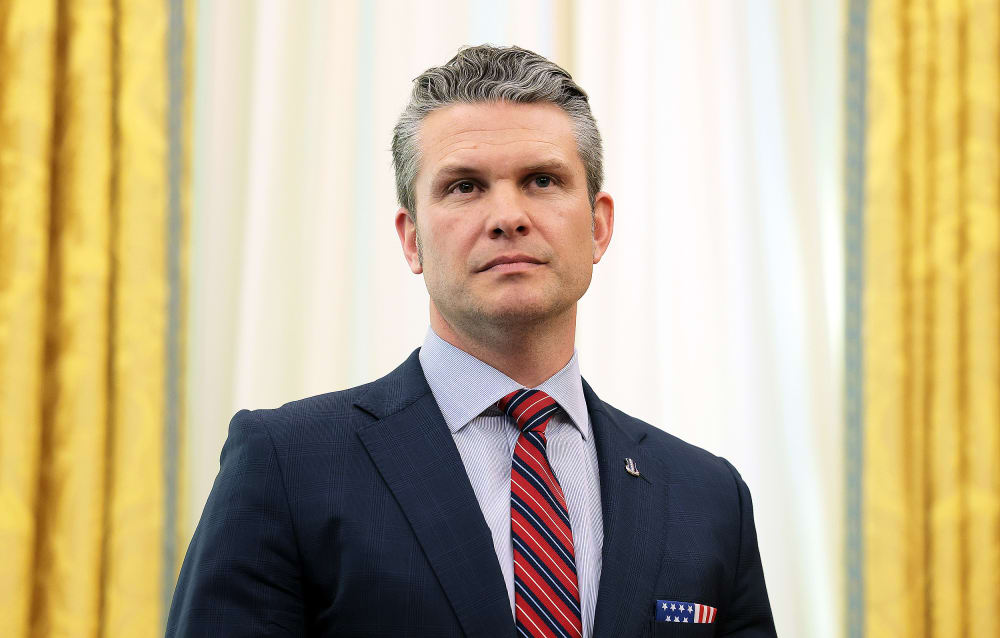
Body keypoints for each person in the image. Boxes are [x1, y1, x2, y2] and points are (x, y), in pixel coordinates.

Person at [166, 45, 777, 638]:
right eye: (464, 186)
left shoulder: (708, 495)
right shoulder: (286, 466)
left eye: (541, 180)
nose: (507, 215)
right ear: (411, 240)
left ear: (598, 227)